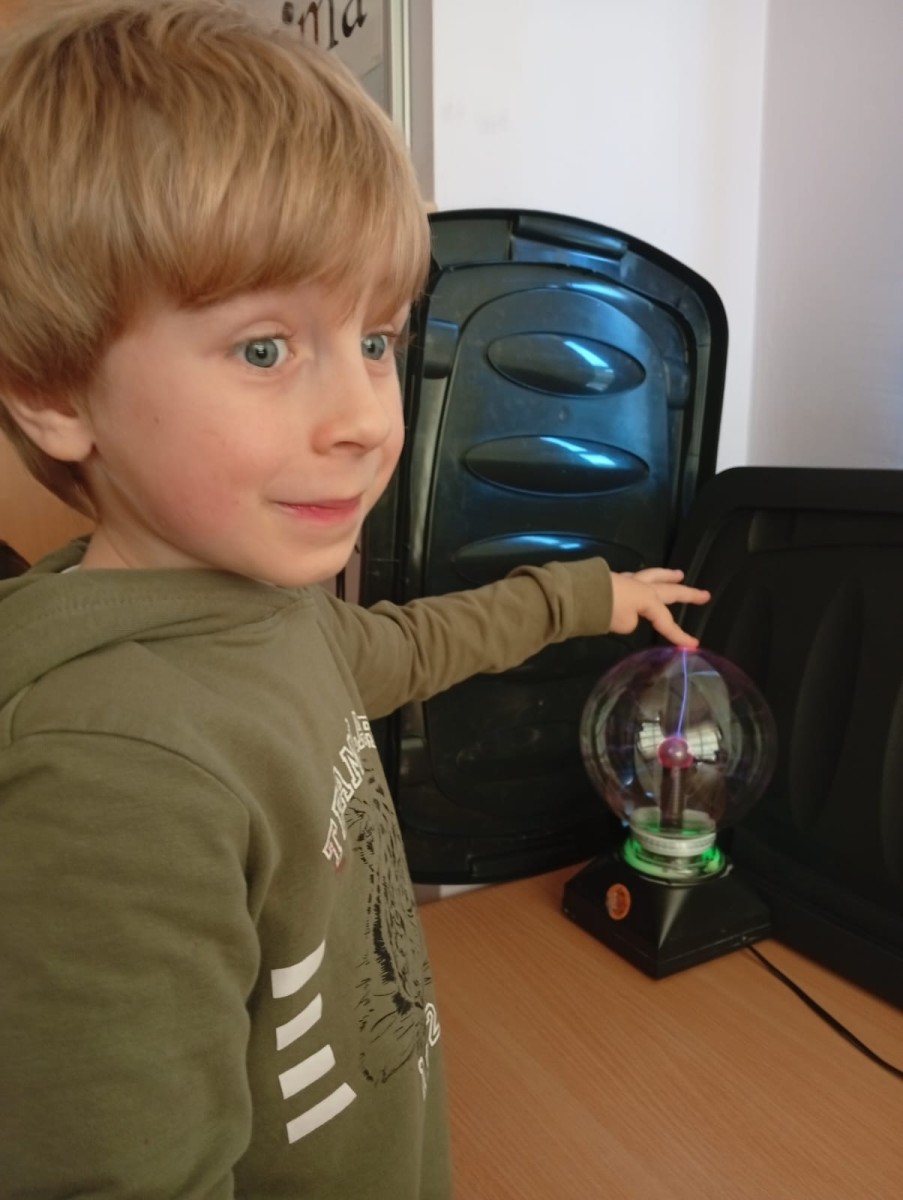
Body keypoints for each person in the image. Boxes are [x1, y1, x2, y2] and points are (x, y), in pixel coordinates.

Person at [0, 2, 709, 1196]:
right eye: (265, 349)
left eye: (376, 341)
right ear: (55, 392)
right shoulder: (108, 775)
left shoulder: (254, 612)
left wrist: (590, 595)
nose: (366, 419)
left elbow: (408, 645)